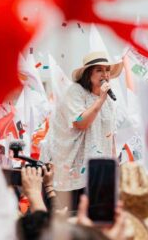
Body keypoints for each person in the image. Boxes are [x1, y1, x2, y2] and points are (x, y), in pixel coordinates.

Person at [48, 51, 122, 203]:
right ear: (88, 74)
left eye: (107, 70)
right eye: (99, 70)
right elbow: (80, 122)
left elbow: (110, 136)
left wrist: (114, 168)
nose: (105, 74)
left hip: (99, 172)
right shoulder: (75, 92)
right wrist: (100, 100)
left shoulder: (108, 101)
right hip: (74, 172)